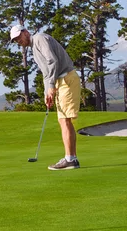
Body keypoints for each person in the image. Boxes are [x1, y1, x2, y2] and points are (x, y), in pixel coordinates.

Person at [10, 24, 81, 170]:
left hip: (66, 79)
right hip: (60, 81)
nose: (19, 41)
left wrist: (50, 87)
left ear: (26, 32)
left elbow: (52, 61)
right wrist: (46, 93)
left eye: (19, 37)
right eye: (16, 40)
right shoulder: (34, 48)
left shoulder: (39, 38)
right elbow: (45, 72)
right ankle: (71, 158)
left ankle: (70, 159)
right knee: (63, 121)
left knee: (64, 120)